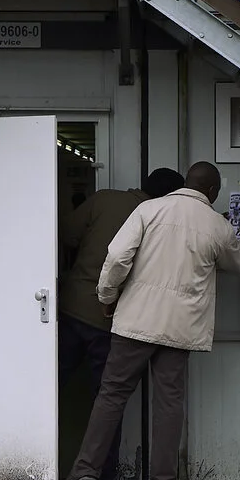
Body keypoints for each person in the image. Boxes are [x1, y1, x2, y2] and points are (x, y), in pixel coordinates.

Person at [66, 161, 240, 480]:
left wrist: (106, 297)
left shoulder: (148, 209)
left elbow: (117, 256)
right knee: (169, 404)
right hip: (179, 329)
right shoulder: (216, 224)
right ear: (212, 192)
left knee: (111, 395)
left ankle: (86, 470)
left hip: (135, 323)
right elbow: (237, 263)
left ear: (187, 182)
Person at [58, 167, 185, 400]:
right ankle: (103, 438)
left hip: (73, 306)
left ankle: (33, 432)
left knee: (52, 381)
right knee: (107, 397)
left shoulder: (104, 199)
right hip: (111, 319)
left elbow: (67, 233)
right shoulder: (163, 221)